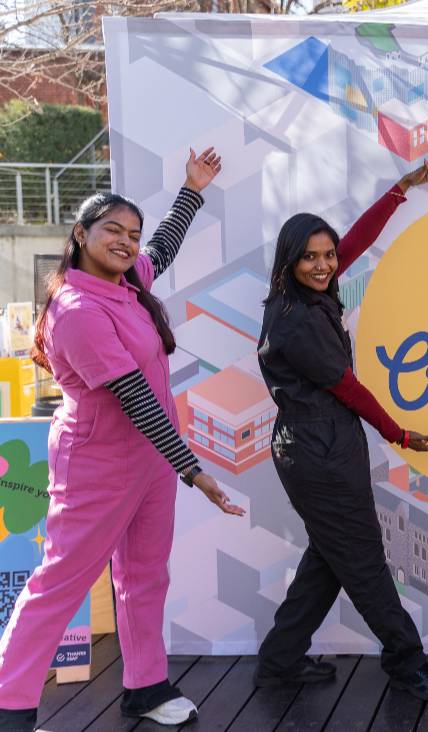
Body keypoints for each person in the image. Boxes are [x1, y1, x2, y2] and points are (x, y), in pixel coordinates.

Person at [0, 149, 245, 731]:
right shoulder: (77, 310)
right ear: (80, 234)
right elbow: (133, 396)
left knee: (144, 574)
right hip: (98, 463)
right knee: (62, 579)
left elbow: (163, 245)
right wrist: (195, 470)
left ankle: (145, 685)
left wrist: (192, 189)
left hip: (151, 461)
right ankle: (9, 701)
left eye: (131, 233)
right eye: (113, 229)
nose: (128, 241)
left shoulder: (129, 281)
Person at [255, 155, 428, 701]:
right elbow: (349, 388)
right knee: (363, 558)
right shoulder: (297, 323)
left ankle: (279, 661)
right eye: (312, 258)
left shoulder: (303, 292)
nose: (325, 266)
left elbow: (356, 244)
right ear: (290, 260)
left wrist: (399, 188)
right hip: (317, 449)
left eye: (327, 256)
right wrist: (399, 433)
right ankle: (407, 660)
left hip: (325, 443)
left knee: (330, 555)